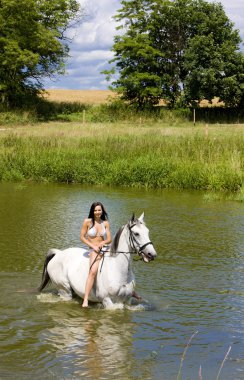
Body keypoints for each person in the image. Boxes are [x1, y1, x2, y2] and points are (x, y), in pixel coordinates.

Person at [80, 201, 112, 307]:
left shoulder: (105, 223)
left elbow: (109, 239)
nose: (97, 212)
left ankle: (131, 292)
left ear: (102, 211)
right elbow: (82, 237)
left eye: (99, 210)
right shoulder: (87, 222)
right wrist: (93, 246)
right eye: (95, 210)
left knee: (120, 261)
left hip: (104, 248)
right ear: (92, 211)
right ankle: (85, 299)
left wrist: (103, 242)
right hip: (93, 250)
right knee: (93, 271)